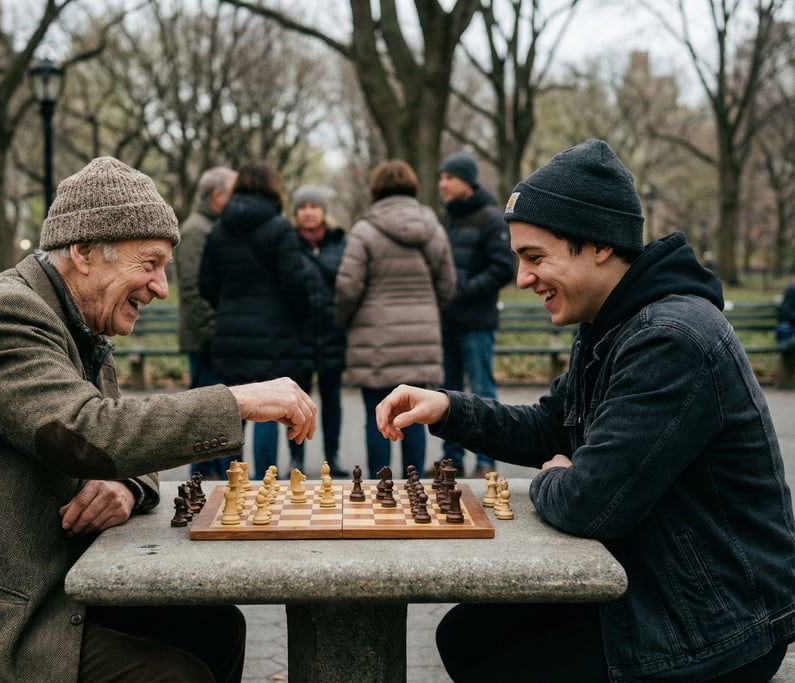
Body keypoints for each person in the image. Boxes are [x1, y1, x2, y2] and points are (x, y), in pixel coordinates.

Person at [0, 157, 317, 683]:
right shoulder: (1, 317)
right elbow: (92, 433)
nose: (160, 287)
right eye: (150, 263)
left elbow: (123, 446)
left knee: (215, 626)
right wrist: (236, 401)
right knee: (174, 676)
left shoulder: (80, 323)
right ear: (84, 251)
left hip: (44, 588)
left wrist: (127, 486)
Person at [376, 140, 795, 682]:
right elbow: (553, 425)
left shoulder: (672, 340)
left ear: (598, 245)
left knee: (495, 664)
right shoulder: (612, 321)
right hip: (654, 583)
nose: (522, 279)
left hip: (710, 621)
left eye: (535, 257)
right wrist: (448, 410)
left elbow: (590, 504)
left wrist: (558, 476)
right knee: (464, 634)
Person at [336, 159, 455, 478]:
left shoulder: (364, 229)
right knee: (413, 413)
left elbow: (348, 286)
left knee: (378, 414)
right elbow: (448, 282)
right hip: (421, 338)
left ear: (376, 190)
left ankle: (380, 485)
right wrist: (430, 310)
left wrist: (344, 319)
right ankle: (414, 482)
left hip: (374, 339)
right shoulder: (432, 227)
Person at [199, 160, 309, 478]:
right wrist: (296, 315)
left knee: (232, 408)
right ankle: (266, 484)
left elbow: (206, 283)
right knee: (270, 411)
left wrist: (228, 307)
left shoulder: (219, 230)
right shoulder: (280, 228)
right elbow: (295, 282)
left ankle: (229, 485)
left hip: (230, 333)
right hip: (274, 334)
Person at [437, 151, 514, 477]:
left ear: (468, 181)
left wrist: (463, 288)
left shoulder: (491, 218)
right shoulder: (445, 220)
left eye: (449, 177)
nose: (442, 184)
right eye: (441, 178)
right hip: (447, 323)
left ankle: (486, 461)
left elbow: (504, 267)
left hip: (477, 324)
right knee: (447, 394)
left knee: (482, 390)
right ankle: (451, 458)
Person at [177, 165, 237, 480]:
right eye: (233, 192)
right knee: (205, 411)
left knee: (219, 410)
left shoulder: (212, 227)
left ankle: (214, 474)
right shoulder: (196, 230)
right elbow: (192, 289)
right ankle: (203, 479)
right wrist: (213, 334)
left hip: (213, 337)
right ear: (217, 195)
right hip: (205, 340)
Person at [289, 185, 349, 476]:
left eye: (314, 206)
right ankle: (296, 458)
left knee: (332, 401)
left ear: (323, 212)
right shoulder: (288, 243)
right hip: (297, 335)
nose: (308, 212)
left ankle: (332, 457)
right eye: (302, 207)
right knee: (295, 403)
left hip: (332, 334)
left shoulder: (340, 242)